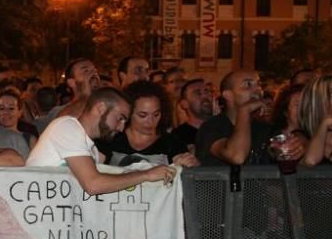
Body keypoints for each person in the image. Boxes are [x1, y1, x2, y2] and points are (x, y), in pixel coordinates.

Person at [26, 87, 175, 195]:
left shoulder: (93, 151)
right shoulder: (67, 126)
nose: (122, 128)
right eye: (120, 118)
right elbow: (93, 184)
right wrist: (146, 175)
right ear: (101, 108)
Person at [97, 81, 197, 168]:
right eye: (142, 115)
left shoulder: (172, 144)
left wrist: (191, 164)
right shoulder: (111, 139)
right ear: (129, 113)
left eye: (156, 114)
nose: (150, 121)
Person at [195, 70, 280, 166]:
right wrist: (244, 110)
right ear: (228, 95)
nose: (258, 89)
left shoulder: (264, 128)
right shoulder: (212, 127)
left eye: (258, 84)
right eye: (248, 84)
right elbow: (237, 157)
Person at [171, 79, 213, 148]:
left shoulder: (223, 127)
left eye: (207, 91)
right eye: (197, 93)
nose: (205, 96)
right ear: (184, 104)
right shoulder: (178, 136)